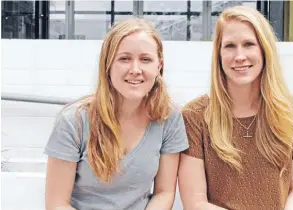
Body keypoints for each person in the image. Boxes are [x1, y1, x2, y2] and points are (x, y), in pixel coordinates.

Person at [44, 18, 189, 210]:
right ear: (108, 65)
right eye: (124, 59)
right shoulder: (74, 121)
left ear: (159, 66)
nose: (135, 70)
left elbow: (164, 192)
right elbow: (56, 204)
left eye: (145, 59)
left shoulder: (170, 117)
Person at [178, 6, 293, 210]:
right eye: (230, 46)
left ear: (264, 49)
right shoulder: (195, 116)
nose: (239, 56)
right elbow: (195, 203)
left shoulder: (291, 111)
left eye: (249, 44)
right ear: (219, 54)